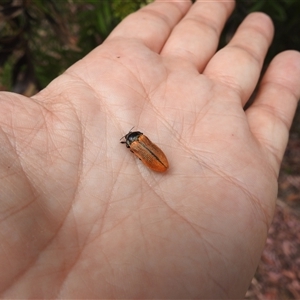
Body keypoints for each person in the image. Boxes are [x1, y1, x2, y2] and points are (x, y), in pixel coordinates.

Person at [0, 0, 299, 298]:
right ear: (136, 140)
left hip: (158, 162)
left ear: (133, 140)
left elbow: (144, 152)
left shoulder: (137, 145)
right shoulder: (139, 143)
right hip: (157, 161)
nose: (130, 141)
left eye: (129, 140)